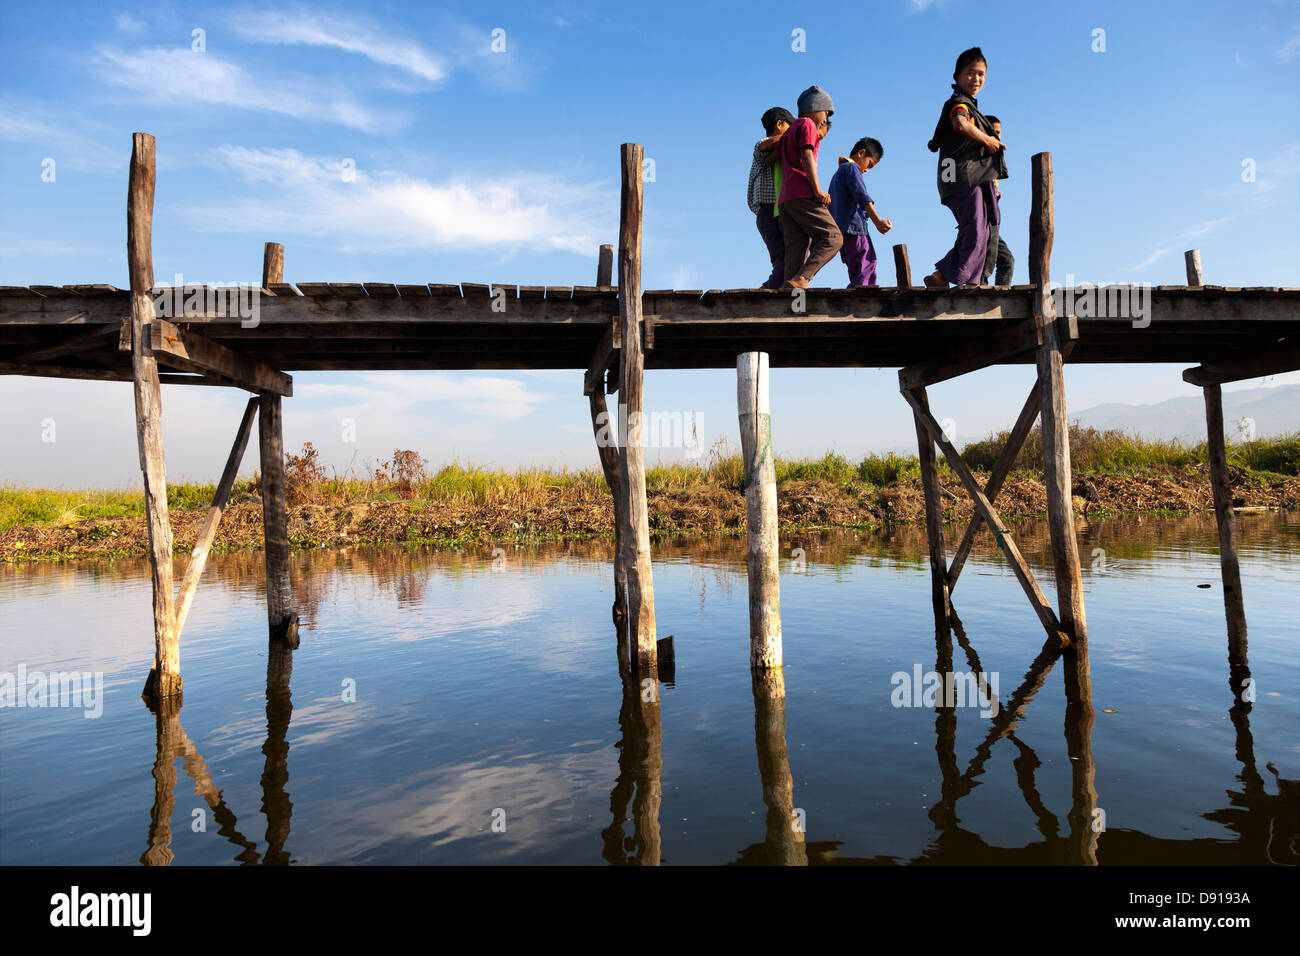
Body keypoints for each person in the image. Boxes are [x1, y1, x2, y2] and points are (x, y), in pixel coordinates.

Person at [922, 47, 1008, 289]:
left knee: (981, 229)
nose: (976, 79)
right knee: (976, 229)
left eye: (981, 74)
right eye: (970, 73)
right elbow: (960, 124)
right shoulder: (959, 104)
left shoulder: (970, 106)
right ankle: (965, 280)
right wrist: (987, 140)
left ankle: (945, 277)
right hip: (960, 176)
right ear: (956, 76)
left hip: (966, 177)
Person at [777, 85, 843, 289]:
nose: (825, 119)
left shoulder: (789, 132)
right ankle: (803, 278)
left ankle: (788, 298)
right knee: (833, 237)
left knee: (796, 250)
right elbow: (807, 157)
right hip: (802, 193)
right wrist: (817, 190)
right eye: (825, 112)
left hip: (786, 199)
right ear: (814, 107)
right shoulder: (807, 124)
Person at [828, 138, 892, 287]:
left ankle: (860, 293)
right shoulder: (851, 168)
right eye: (869, 164)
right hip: (854, 228)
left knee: (857, 268)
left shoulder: (838, 173)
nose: (866, 170)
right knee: (867, 263)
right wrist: (877, 221)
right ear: (861, 153)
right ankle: (864, 299)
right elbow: (861, 195)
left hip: (842, 231)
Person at [747, 107, 794, 290]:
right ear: (779, 124)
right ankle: (768, 289)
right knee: (781, 258)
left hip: (779, 211)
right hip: (766, 213)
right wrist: (795, 134)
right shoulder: (762, 145)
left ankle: (770, 286)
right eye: (789, 127)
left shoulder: (779, 150)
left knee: (788, 257)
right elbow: (765, 148)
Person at [979, 115, 1015, 286]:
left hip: (993, 208)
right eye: (991, 132)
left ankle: (1001, 291)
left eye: (998, 133)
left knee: (1007, 260)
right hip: (985, 211)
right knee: (987, 256)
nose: (996, 136)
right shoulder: (977, 155)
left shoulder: (994, 156)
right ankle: (981, 286)